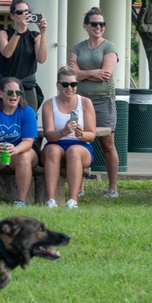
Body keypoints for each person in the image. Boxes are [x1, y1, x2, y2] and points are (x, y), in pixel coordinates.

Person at [69, 7, 119, 198]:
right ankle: (78, 187)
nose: (98, 27)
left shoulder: (109, 47)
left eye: (102, 24)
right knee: (79, 140)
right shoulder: (77, 48)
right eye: (94, 24)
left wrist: (82, 73)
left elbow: (106, 74)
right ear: (86, 26)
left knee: (107, 143)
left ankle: (113, 187)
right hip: (80, 101)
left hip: (103, 100)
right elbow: (71, 75)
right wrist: (92, 73)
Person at [41, 65, 97, 209]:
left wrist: (81, 134)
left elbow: (91, 135)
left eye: (73, 84)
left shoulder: (85, 102)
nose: (69, 88)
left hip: (80, 145)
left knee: (74, 151)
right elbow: (49, 135)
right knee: (53, 151)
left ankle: (73, 200)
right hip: (57, 143)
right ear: (58, 85)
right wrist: (63, 132)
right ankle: (51, 200)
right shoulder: (49, 104)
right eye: (65, 84)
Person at [0, 76, 39, 207]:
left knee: (24, 156)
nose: (14, 96)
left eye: (18, 93)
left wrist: (15, 149)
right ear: (1, 94)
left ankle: (21, 201)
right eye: (10, 92)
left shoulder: (27, 111)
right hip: (0, 151)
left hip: (22, 150)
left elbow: (28, 142)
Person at [0, 0, 47, 111]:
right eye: (20, 12)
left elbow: (41, 59)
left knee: (28, 118)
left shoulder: (34, 36)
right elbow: (7, 53)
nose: (24, 15)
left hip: (27, 86)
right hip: (5, 86)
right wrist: (18, 31)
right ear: (12, 16)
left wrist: (43, 32)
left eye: (27, 12)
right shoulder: (4, 34)